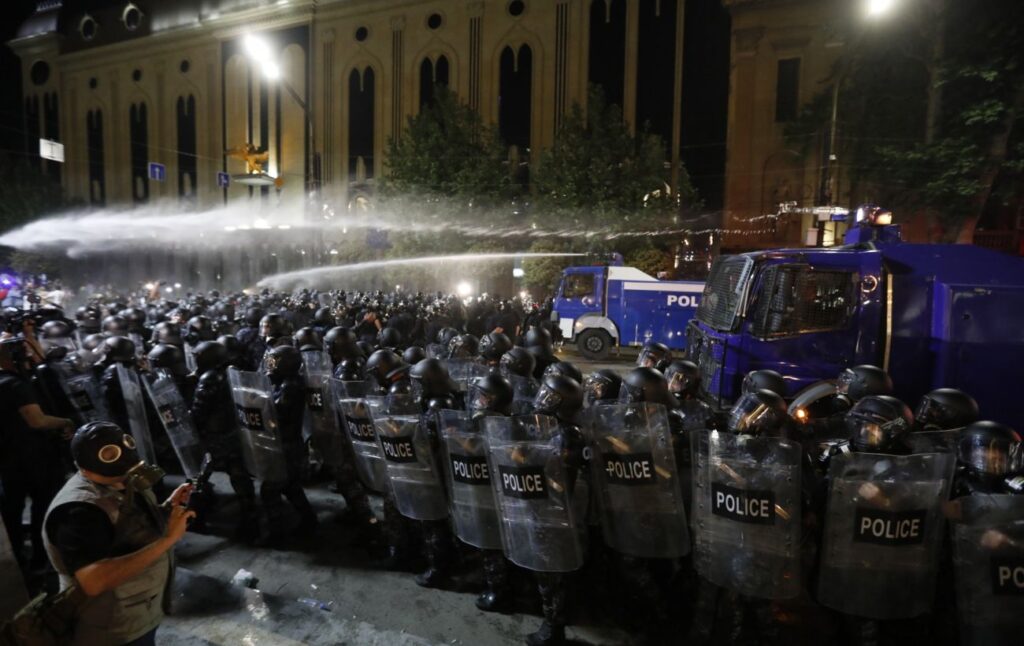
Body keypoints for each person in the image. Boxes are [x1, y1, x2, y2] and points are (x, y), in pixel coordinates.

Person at [42, 421, 194, 646]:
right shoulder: (79, 511)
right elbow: (93, 581)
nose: (124, 455)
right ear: (87, 466)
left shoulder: (121, 479)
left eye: (125, 444)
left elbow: (127, 527)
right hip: (111, 627)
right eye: (110, 454)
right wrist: (168, 539)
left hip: (139, 611)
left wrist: (167, 508)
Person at [0, 327, 75, 569]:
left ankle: (18, 558)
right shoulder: (16, 385)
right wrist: (65, 422)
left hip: (6, 457)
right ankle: (41, 558)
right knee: (43, 505)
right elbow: (37, 420)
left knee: (12, 509)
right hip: (32, 457)